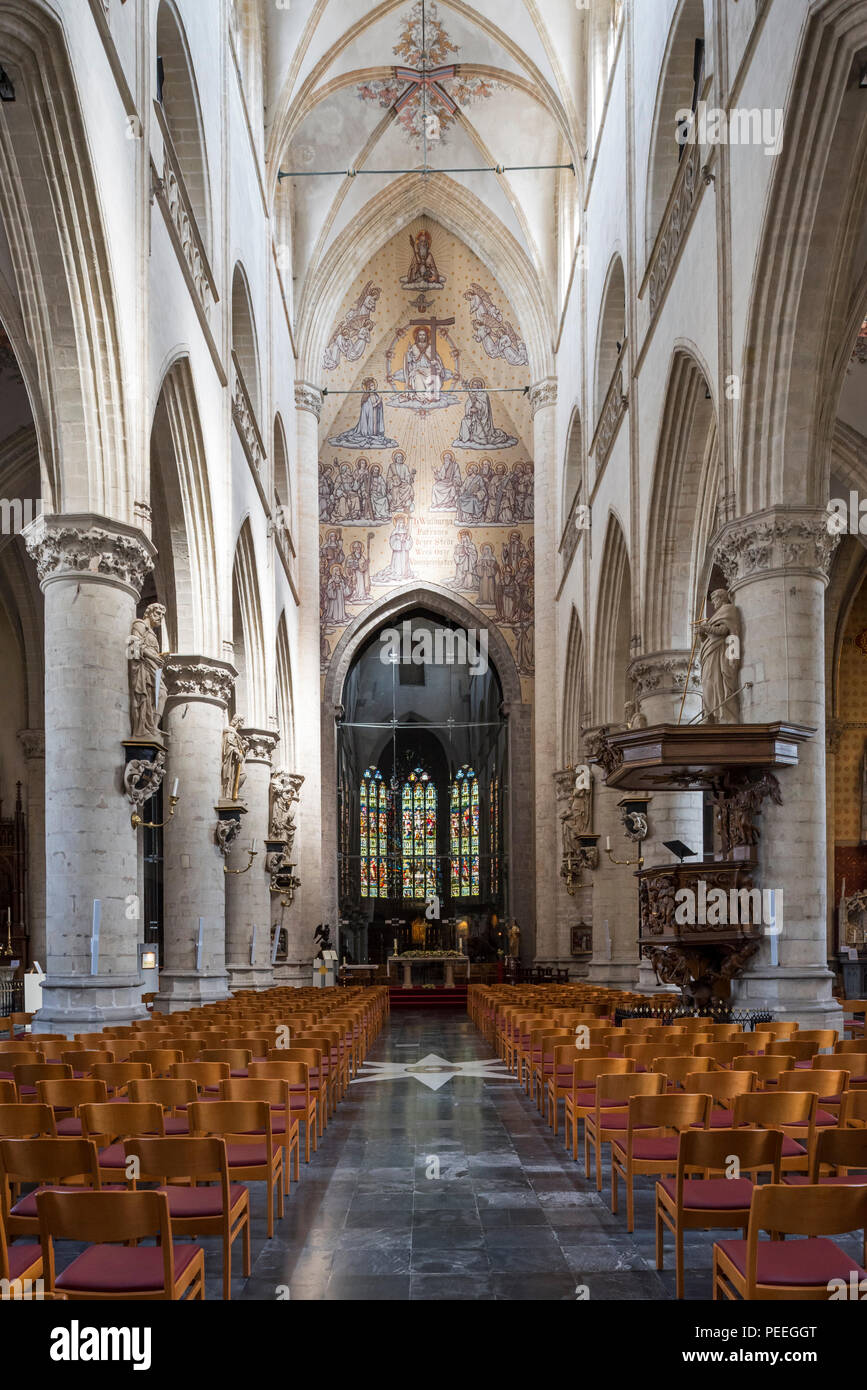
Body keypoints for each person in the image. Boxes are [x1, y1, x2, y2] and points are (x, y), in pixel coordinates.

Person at [697, 588, 742, 723]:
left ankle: (723, 715)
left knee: (717, 684)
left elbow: (724, 630)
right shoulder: (718, 615)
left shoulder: (728, 610)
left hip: (720, 654)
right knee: (707, 684)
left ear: (722, 598)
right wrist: (701, 633)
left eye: (715, 599)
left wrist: (706, 628)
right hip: (710, 654)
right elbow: (708, 638)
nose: (714, 602)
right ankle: (711, 715)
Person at [327, 378, 398, 449]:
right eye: (368, 386)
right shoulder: (366, 397)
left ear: (374, 386)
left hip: (376, 416)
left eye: (372, 385)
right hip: (368, 418)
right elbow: (367, 408)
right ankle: (369, 434)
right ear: (366, 388)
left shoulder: (376, 396)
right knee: (367, 430)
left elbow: (379, 407)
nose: (370, 387)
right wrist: (378, 403)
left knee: (375, 427)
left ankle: (375, 434)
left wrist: (379, 404)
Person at [453, 378, 517, 450]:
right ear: (472, 385)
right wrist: (470, 411)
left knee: (482, 439)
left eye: (479, 385)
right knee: (464, 421)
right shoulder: (471, 394)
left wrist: (477, 408)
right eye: (475, 384)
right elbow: (467, 406)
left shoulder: (483, 394)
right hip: (472, 417)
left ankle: (474, 436)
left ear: (482, 386)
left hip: (482, 419)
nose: (477, 386)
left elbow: (484, 407)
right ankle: (466, 439)